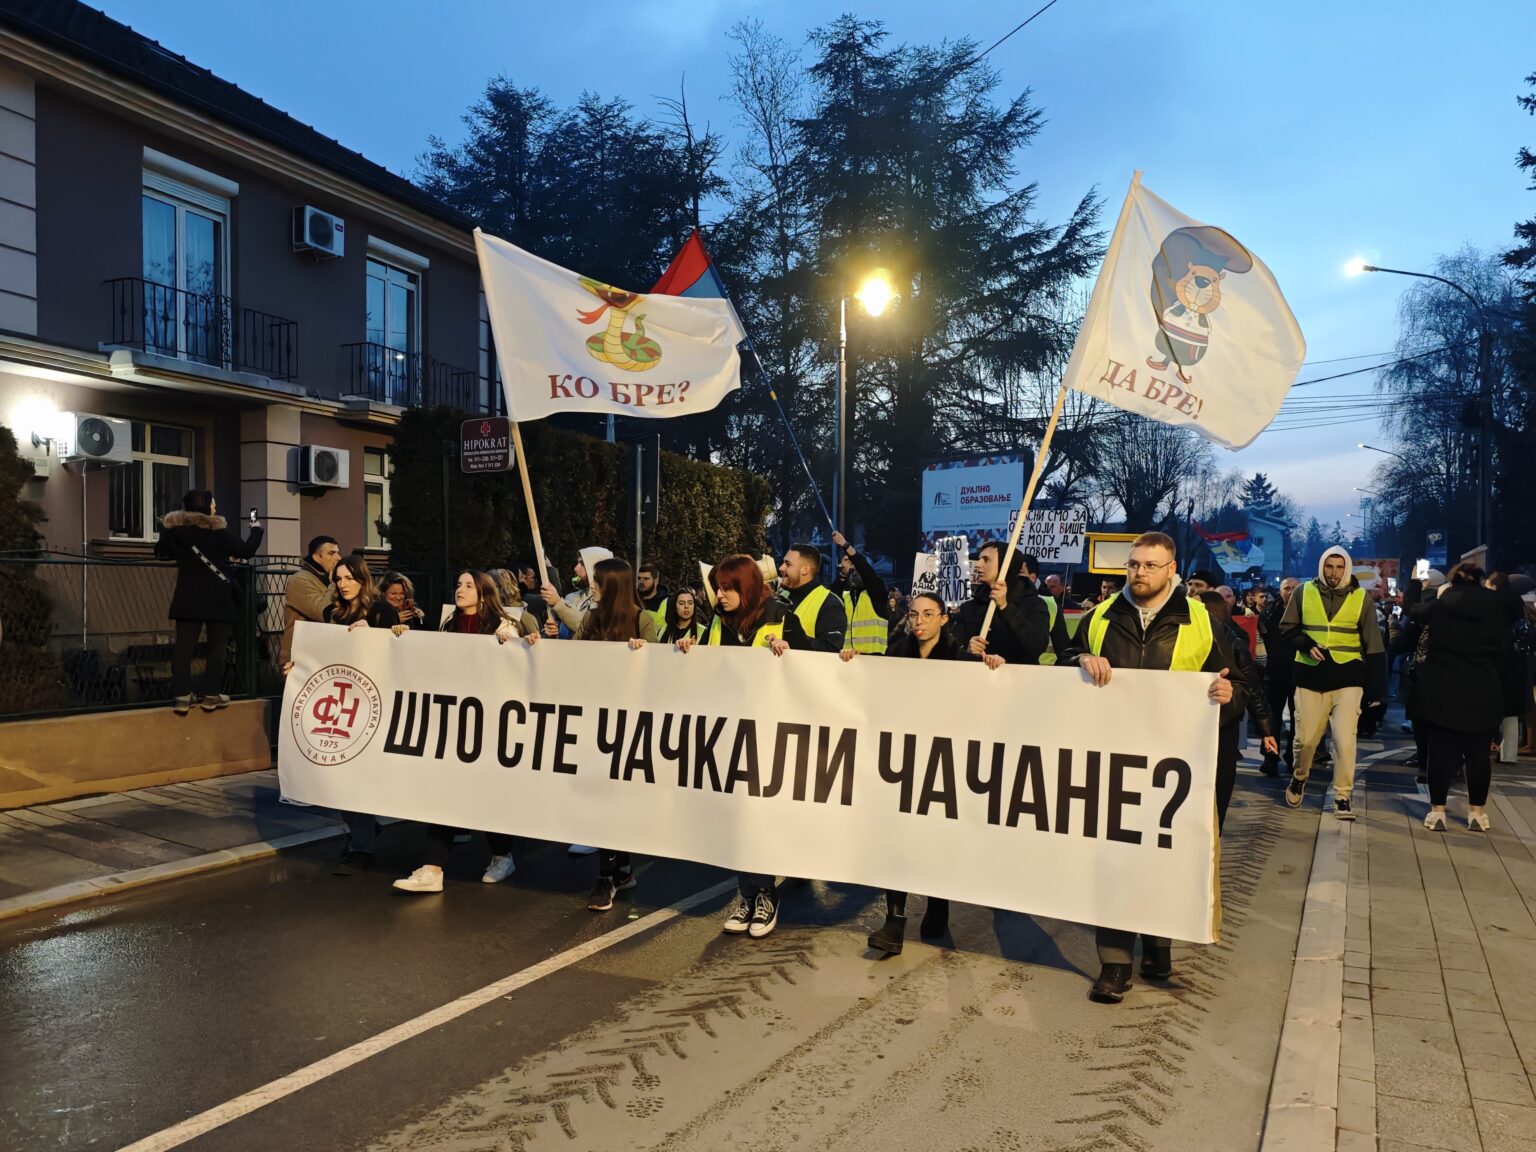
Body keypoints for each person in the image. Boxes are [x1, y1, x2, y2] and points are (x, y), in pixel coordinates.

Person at [1059, 531, 1244, 1005]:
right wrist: (1080, 657)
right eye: (1134, 564)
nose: (1139, 572)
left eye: (1150, 566)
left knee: (1164, 856)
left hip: (1174, 763)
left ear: (1172, 570)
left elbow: (1239, 687)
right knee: (1114, 858)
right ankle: (1115, 963)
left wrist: (1229, 698)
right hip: (1112, 759)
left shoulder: (1202, 622)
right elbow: (1058, 668)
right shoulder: (1100, 617)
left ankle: (1159, 942)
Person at [841, 590, 1005, 954]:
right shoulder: (896, 654)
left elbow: (984, 703)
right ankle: (894, 921)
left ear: (943, 619)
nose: (919, 622)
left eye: (928, 614)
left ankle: (938, 904)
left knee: (935, 839)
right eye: (914, 614)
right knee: (897, 838)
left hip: (944, 763)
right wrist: (854, 662)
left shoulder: (961, 659)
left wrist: (991, 669)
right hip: (902, 761)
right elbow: (871, 685)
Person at [679, 553, 812, 938]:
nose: (720, 596)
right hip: (732, 736)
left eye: (727, 588)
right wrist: (689, 651)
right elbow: (705, 665)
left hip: (773, 736)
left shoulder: (782, 615)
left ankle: (765, 894)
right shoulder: (720, 623)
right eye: (718, 588)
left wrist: (793, 652)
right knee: (737, 819)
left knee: (757, 818)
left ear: (747, 586)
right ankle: (748, 895)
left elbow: (818, 665)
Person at [393, 570, 536, 893]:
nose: (460, 589)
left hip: (489, 726)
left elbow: (520, 668)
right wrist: (403, 636)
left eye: (469, 585)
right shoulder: (448, 625)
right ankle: (432, 868)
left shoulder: (504, 627)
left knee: (486, 797)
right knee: (445, 793)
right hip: (454, 724)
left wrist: (511, 647)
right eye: (458, 584)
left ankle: (502, 855)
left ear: (484, 594)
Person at [580, 558, 662, 912]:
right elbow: (571, 660)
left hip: (629, 725)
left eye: (596, 583)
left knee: (611, 797)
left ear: (610, 586)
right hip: (595, 719)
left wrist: (646, 657)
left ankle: (605, 877)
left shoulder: (643, 621)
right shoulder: (592, 618)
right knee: (602, 796)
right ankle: (622, 869)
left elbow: (658, 673)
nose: (591, 589)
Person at [1281, 546, 1386, 820]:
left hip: (1348, 677)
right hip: (1309, 675)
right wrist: (1305, 644)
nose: (1334, 572)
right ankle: (1299, 776)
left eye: (1340, 567)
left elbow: (1374, 644)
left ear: (1347, 569)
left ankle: (1342, 795)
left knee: (1344, 739)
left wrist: (1377, 691)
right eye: (1329, 566)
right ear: (1321, 567)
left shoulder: (1362, 598)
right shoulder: (1303, 592)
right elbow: (1287, 628)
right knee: (1306, 741)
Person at [322, 555, 402, 876]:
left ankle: (361, 847)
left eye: (348, 578)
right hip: (341, 702)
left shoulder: (382, 610)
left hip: (373, 702)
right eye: (338, 579)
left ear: (362, 579)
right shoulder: (332, 613)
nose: (343, 584)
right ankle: (363, 831)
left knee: (358, 778)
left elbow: (396, 653)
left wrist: (376, 634)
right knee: (337, 777)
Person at [1414, 563, 1509, 832]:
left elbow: (1414, 611)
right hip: (1483, 688)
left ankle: (1438, 812)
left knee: (1440, 753)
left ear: (1453, 580)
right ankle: (1477, 813)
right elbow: (1505, 646)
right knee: (1478, 755)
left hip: (1444, 688)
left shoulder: (1442, 604)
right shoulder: (1494, 608)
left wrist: (1417, 582)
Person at [155, 490, 264, 715]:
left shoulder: (175, 532)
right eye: (213, 504)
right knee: (216, 648)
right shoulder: (218, 532)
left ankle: (182, 696)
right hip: (218, 597)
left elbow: (160, 553)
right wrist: (256, 530)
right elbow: (246, 552)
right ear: (206, 508)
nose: (215, 508)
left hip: (188, 596)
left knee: (183, 648)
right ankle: (211, 695)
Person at [1200, 590, 1278, 827]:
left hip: (1223, 727)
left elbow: (1253, 689)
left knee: (1216, 796)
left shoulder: (1234, 642)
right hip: (1193, 728)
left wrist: (1267, 731)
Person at [952, 541, 1051, 667]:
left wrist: (1005, 607)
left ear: (1006, 565)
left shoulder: (1033, 603)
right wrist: (967, 650)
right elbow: (953, 649)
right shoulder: (969, 607)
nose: (978, 564)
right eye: (979, 559)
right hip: (976, 681)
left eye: (986, 560)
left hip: (1019, 681)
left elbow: (1037, 645)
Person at [279, 535, 341, 669]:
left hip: (323, 654)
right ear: (316, 557)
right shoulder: (300, 580)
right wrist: (334, 583)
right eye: (331, 553)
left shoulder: (329, 579)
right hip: (299, 658)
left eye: (338, 553)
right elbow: (322, 612)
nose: (338, 558)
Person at [831, 530, 893, 654]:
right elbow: (831, 597)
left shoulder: (877, 594)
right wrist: (843, 573)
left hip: (874, 662)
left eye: (857, 569)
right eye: (851, 570)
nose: (854, 572)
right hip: (847, 660)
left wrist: (845, 545)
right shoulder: (846, 596)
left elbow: (865, 570)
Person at [778, 543, 847, 652]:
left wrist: (793, 643)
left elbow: (831, 648)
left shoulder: (829, 603)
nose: (781, 568)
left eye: (788, 564)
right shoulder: (781, 596)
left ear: (805, 570)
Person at [542, 546, 613, 640]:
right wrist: (553, 633)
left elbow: (588, 628)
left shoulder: (609, 601)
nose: (576, 568)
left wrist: (558, 603)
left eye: (582, 563)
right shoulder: (571, 597)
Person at [637, 562, 668, 633]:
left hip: (659, 643)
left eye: (646, 579)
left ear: (656, 580)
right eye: (639, 578)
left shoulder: (667, 602)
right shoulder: (632, 599)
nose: (641, 582)